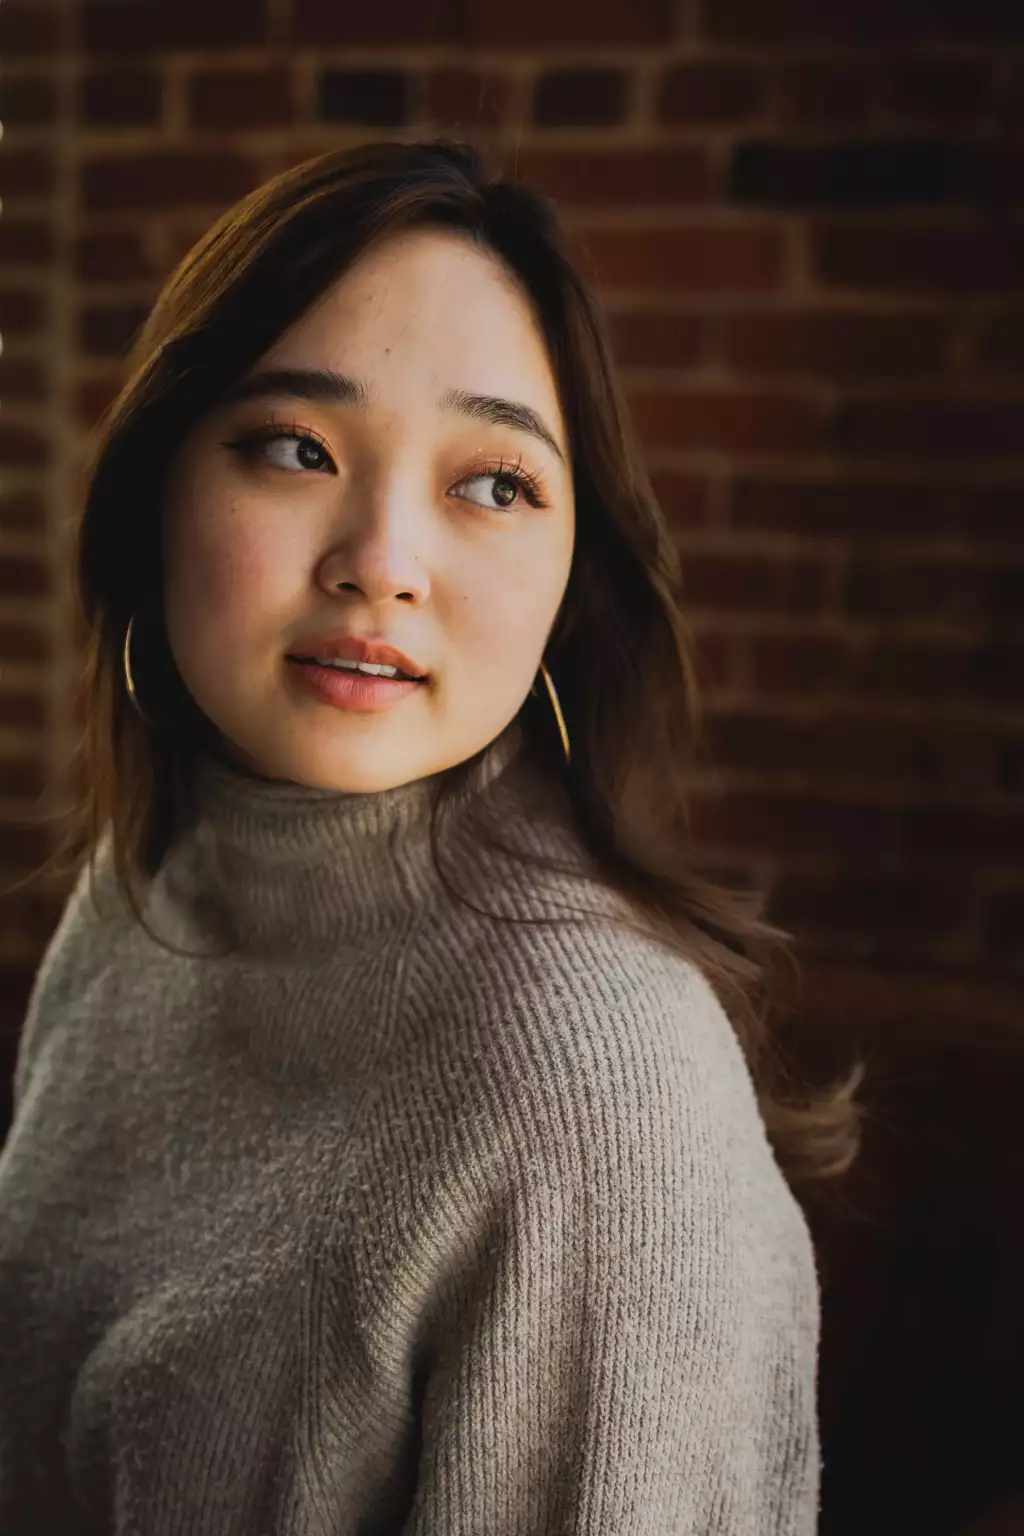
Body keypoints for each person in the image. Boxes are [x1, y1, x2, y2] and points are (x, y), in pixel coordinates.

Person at [0, 138, 863, 1533]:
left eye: (494, 483)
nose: (382, 563)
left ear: (573, 572)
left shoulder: (598, 1092)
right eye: (297, 447)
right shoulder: (149, 879)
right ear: (160, 489)